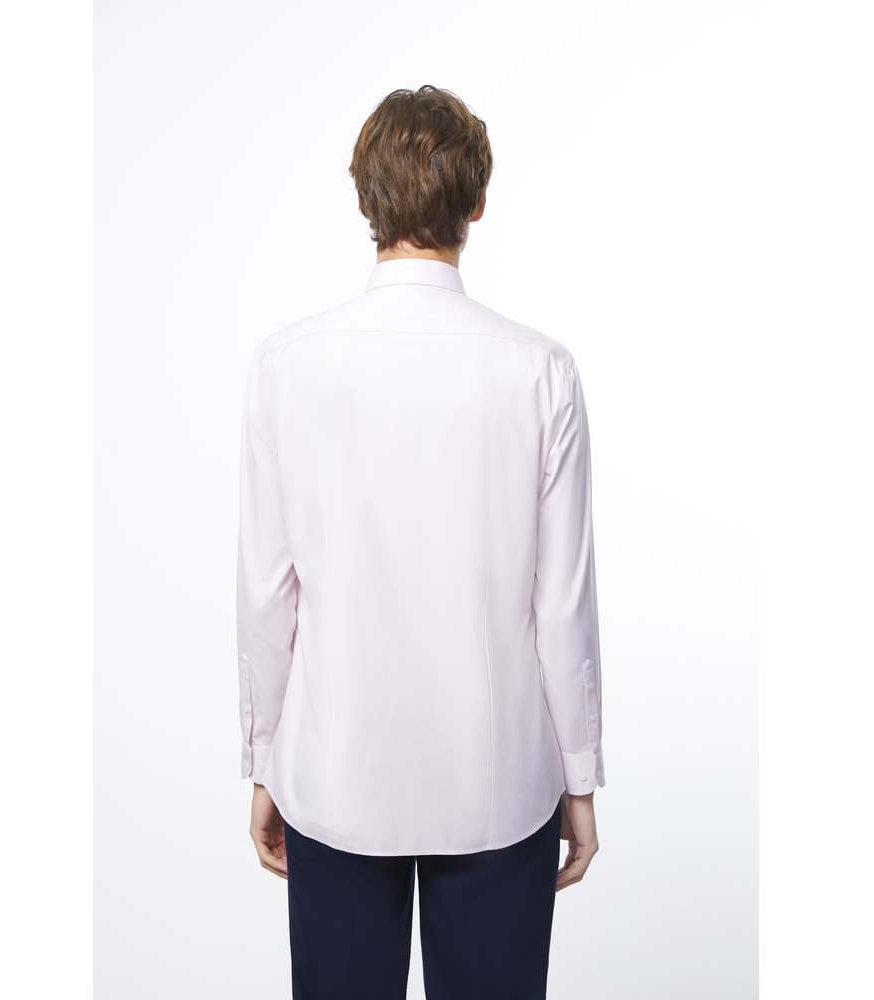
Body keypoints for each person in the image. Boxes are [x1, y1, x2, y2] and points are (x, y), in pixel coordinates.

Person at [238, 85, 604, 1000]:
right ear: (477, 204)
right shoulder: (540, 371)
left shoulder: (286, 365)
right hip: (498, 780)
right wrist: (581, 777)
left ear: (365, 196)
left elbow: (267, 593)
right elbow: (561, 604)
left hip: (334, 774)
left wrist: (264, 759)